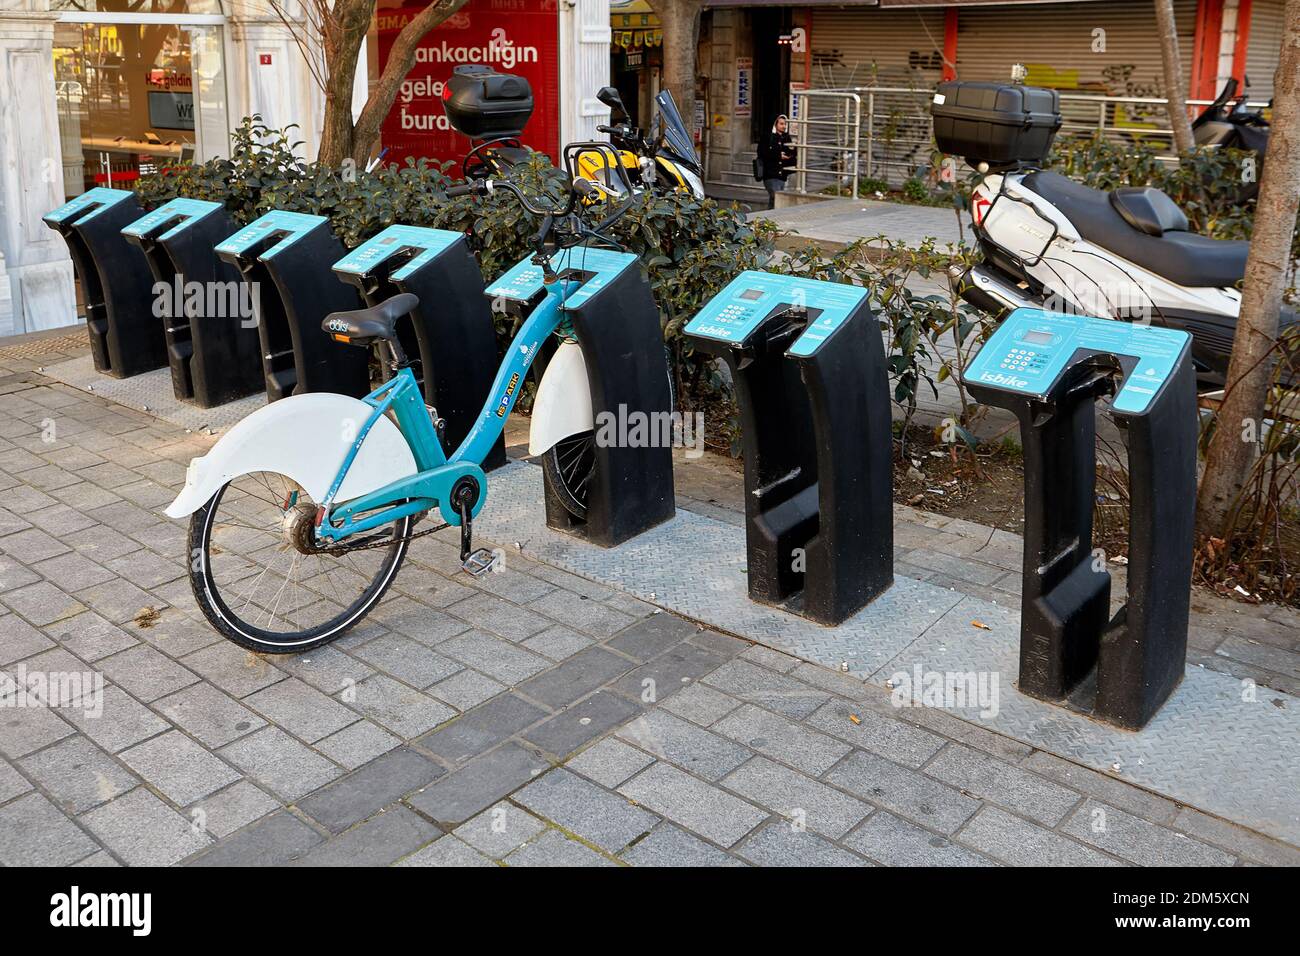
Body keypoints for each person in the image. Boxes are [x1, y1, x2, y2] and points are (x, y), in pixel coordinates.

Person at [757, 115, 796, 209]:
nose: (784, 126)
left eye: (785, 124)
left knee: (774, 199)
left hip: (781, 175)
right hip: (770, 173)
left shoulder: (786, 137)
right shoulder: (767, 136)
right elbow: (761, 153)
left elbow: (791, 152)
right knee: (776, 196)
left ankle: (769, 218)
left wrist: (791, 153)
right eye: (781, 124)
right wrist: (778, 155)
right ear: (775, 124)